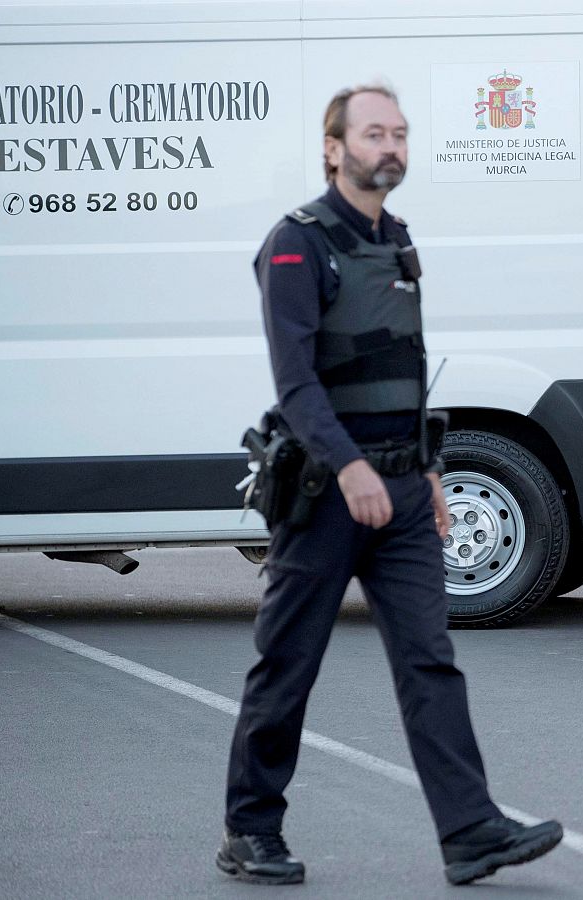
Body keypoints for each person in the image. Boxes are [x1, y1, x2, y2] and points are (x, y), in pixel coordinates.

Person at [219, 84, 562, 886]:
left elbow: (406, 369)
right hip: (325, 493)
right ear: (334, 147)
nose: (391, 147)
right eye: (374, 133)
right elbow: (296, 384)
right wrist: (349, 468)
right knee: (288, 663)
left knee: (429, 662)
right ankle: (249, 829)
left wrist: (431, 471)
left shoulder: (398, 239)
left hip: (404, 495)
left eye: (401, 134)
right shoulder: (297, 245)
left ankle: (471, 831)